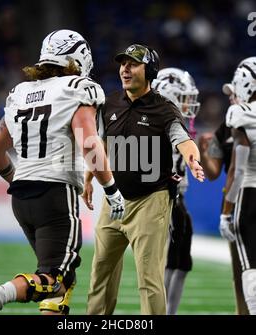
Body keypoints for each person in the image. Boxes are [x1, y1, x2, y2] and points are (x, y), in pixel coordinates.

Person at [0, 29, 125, 315]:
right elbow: (89, 142)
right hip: (55, 193)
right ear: (77, 57)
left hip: (22, 197)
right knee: (54, 279)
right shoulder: (76, 87)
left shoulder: (20, 93)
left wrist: (16, 179)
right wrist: (112, 189)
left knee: (61, 278)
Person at [83, 44, 205, 315]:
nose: (125, 69)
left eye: (133, 64)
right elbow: (100, 143)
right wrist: (89, 178)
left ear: (149, 70)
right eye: (123, 63)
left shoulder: (164, 109)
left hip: (150, 202)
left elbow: (182, 139)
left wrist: (192, 159)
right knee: (99, 276)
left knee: (149, 281)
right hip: (113, 201)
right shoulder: (110, 103)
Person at [151, 67, 200, 315]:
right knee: (168, 260)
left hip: (178, 199)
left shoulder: (180, 124)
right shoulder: (156, 122)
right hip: (163, 197)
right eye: (183, 97)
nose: (188, 104)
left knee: (182, 262)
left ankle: (170, 312)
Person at [199, 84, 249, 315]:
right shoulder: (226, 128)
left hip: (247, 198)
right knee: (240, 270)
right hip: (235, 203)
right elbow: (212, 173)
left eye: (235, 92)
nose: (232, 98)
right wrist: (202, 150)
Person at [219, 57, 256, 315]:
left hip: (249, 195)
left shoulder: (239, 113)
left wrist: (226, 210)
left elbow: (238, 167)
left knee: (250, 266)